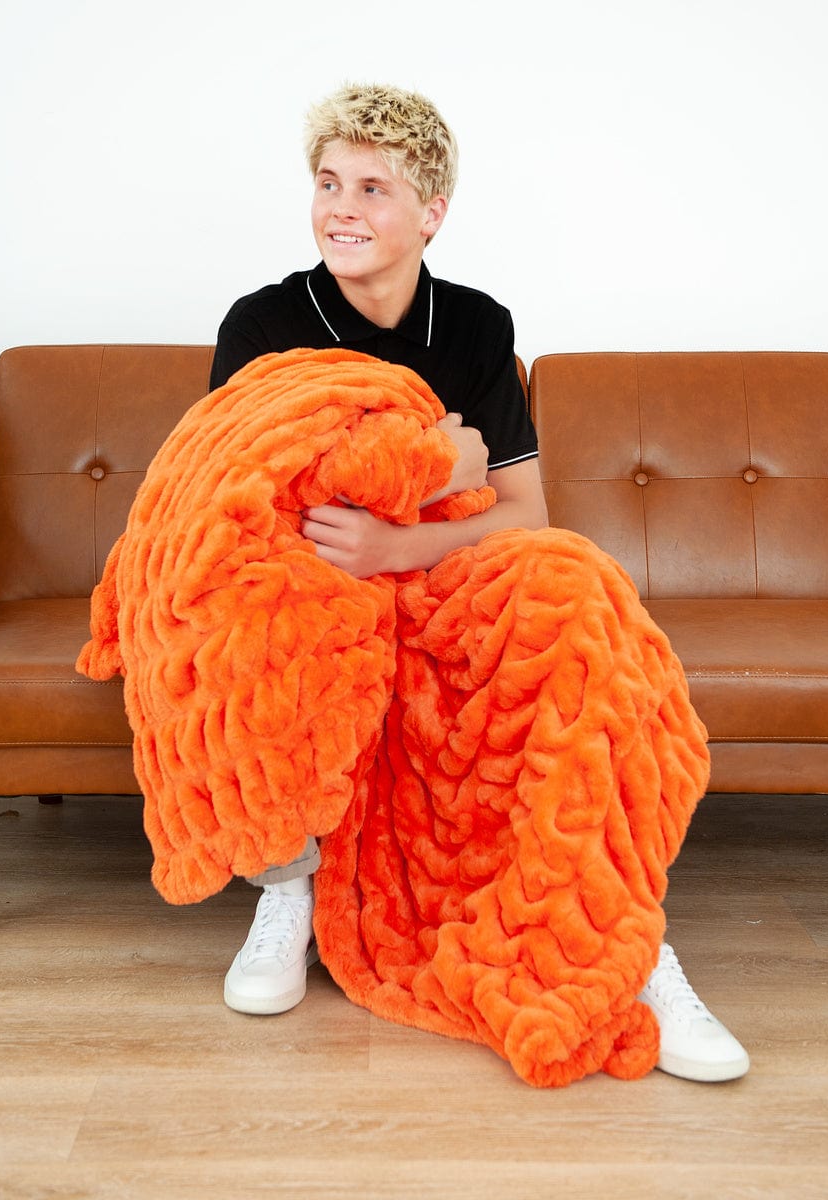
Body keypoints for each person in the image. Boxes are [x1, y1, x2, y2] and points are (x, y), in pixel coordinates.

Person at [210, 82, 750, 1083]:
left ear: (431, 213)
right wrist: (440, 461)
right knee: (249, 600)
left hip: (431, 576)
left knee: (577, 588)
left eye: (373, 188)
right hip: (311, 580)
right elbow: (242, 501)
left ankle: (624, 941)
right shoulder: (264, 322)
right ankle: (289, 882)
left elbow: (523, 510)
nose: (342, 207)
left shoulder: (473, 325)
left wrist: (402, 536)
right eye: (329, 183)